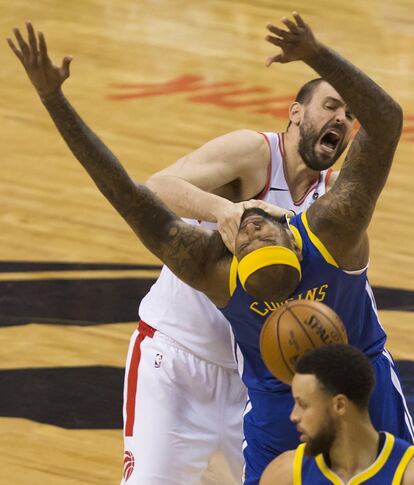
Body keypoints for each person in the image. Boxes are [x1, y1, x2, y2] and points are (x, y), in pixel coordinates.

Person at [8, 11, 413, 485]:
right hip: (181, 358)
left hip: (264, 378)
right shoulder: (220, 240)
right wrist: (221, 210)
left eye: (348, 115)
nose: (251, 219)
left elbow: (384, 123)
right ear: (295, 112)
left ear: (290, 232)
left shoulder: (329, 218)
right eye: (330, 107)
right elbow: (142, 190)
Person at [260, 345, 414, 485]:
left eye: (303, 405)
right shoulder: (284, 475)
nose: (293, 416)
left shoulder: (407, 474)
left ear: (340, 405)